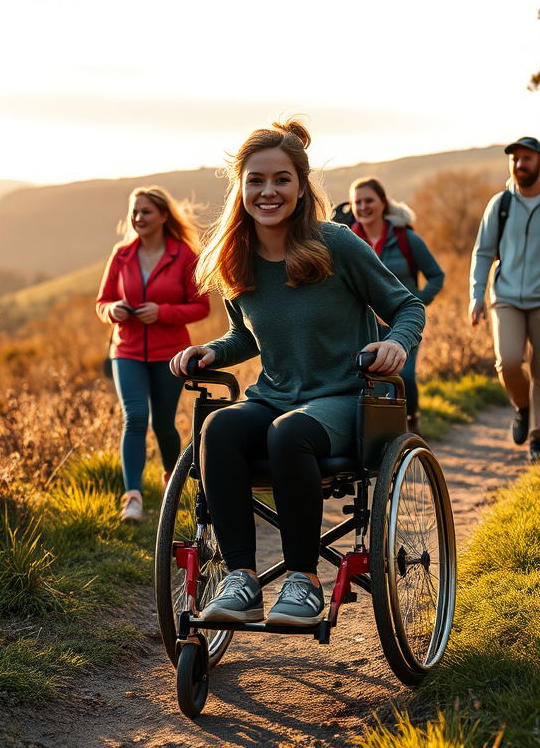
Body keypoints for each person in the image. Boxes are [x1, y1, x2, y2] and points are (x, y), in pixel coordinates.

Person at [169, 119, 425, 627]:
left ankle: (304, 581)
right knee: (217, 429)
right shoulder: (237, 258)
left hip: (344, 397)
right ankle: (241, 580)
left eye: (281, 179)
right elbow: (246, 335)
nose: (268, 191)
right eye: (256, 180)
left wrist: (396, 342)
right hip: (276, 394)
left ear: (301, 186)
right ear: (241, 188)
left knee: (289, 434)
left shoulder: (337, 244)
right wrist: (212, 352)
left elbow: (407, 306)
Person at [96, 186, 210, 522]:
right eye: (134, 212)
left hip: (170, 355)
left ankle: (171, 485)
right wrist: (112, 310)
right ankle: (132, 498)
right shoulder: (121, 255)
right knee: (135, 417)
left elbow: (201, 306)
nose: (138, 218)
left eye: (145, 211)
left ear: (162, 215)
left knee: (163, 424)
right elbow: (102, 303)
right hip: (126, 351)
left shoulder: (184, 255)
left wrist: (162, 312)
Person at [469, 136, 540, 463]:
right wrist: (476, 295)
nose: (519, 164)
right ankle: (523, 406)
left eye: (527, 158)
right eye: (514, 159)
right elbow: (483, 252)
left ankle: (538, 440)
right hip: (505, 298)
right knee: (508, 361)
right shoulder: (499, 204)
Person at [349, 177, 445, 435]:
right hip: (365, 328)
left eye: (369, 200)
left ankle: (412, 418)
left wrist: (415, 304)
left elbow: (436, 275)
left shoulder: (406, 239)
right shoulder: (347, 241)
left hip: (401, 324)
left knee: (405, 377)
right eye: (357, 202)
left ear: (383, 202)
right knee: (373, 385)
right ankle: (387, 436)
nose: (363, 207)